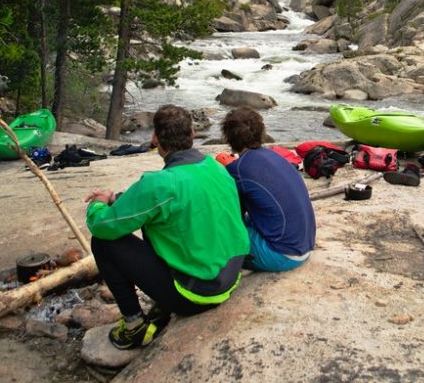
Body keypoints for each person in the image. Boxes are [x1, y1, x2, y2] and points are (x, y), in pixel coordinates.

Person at [84, 104, 249, 350]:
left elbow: (102, 226)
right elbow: (164, 199)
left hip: (197, 295)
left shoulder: (160, 184)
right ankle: (162, 304)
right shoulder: (216, 167)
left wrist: (98, 204)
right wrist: (118, 199)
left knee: (103, 243)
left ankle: (134, 326)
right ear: (192, 135)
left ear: (155, 139)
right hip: (229, 278)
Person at [221, 107, 316, 272]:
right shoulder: (275, 155)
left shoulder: (239, 169)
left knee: (216, 233)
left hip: (283, 254)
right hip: (304, 243)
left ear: (229, 138)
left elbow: (231, 214)